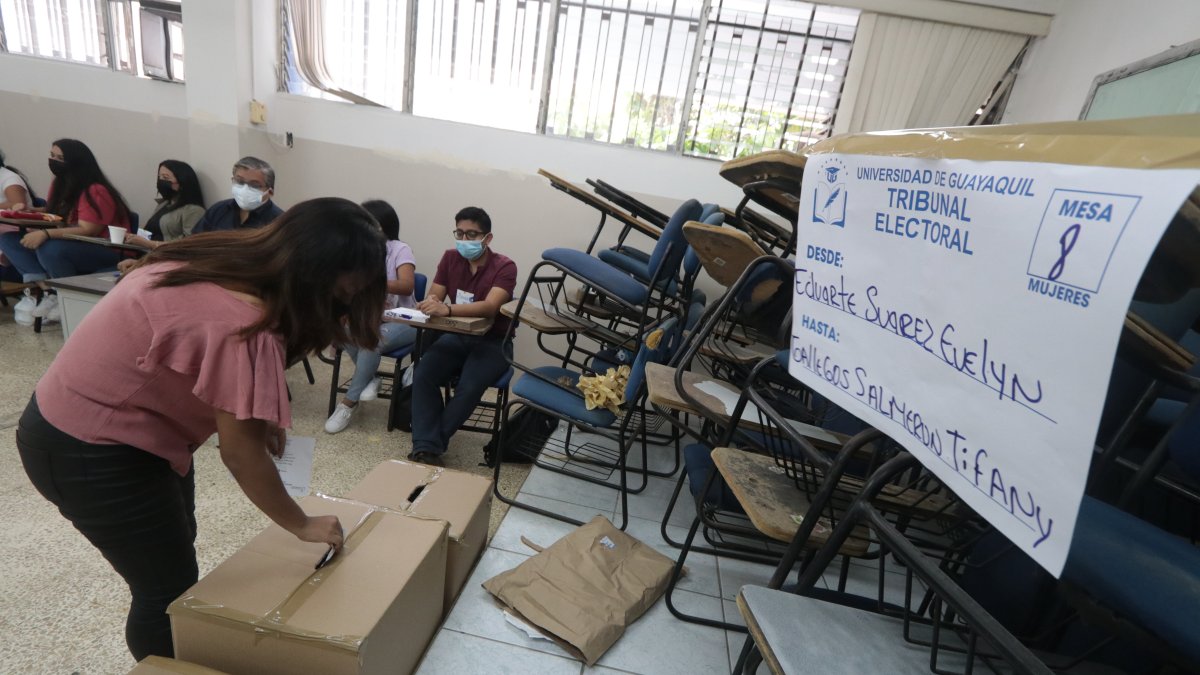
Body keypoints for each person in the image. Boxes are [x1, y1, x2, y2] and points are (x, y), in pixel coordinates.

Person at [15, 197, 386, 660]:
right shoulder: (245, 324)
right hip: (88, 449)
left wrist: (259, 410)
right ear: (313, 277)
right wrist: (302, 524)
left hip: (118, 432)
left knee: (175, 546)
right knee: (164, 591)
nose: (346, 304)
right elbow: (241, 455)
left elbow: (200, 360)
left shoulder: (214, 257)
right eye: (345, 294)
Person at [409, 206, 517, 465]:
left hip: (493, 342)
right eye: (459, 233)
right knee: (423, 373)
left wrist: (445, 308)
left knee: (469, 387)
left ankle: (429, 446)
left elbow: (490, 307)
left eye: (471, 234)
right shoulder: (450, 258)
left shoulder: (505, 267)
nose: (464, 240)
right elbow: (435, 293)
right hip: (456, 335)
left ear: (487, 238)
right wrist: (432, 301)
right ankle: (428, 445)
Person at [0, 139, 133, 322]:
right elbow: (55, 213)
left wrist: (45, 234)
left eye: (60, 158)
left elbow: (89, 230)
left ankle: (66, 295)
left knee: (50, 247)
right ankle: (49, 291)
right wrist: (27, 210)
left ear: (76, 161)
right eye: (52, 156)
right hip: (71, 245)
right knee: (9, 240)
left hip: (104, 251)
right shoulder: (60, 183)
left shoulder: (95, 190)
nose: (53, 161)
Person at [325, 199, 419, 433]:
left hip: (404, 320)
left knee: (370, 341)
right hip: (369, 317)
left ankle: (348, 403)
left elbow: (407, 286)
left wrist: (371, 282)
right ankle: (369, 378)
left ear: (381, 225)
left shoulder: (400, 249)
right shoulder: (359, 253)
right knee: (341, 331)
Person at [123, 160, 206, 249]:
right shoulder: (164, 204)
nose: (161, 181)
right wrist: (132, 237)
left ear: (182, 181)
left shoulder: (193, 210)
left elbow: (189, 244)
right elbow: (149, 233)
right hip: (147, 254)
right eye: (160, 177)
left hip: (167, 257)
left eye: (166, 178)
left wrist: (149, 244)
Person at [191, 156, 283, 234]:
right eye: (240, 181)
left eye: (254, 185)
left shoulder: (280, 222)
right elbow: (194, 242)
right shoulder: (218, 210)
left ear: (270, 192)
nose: (245, 189)